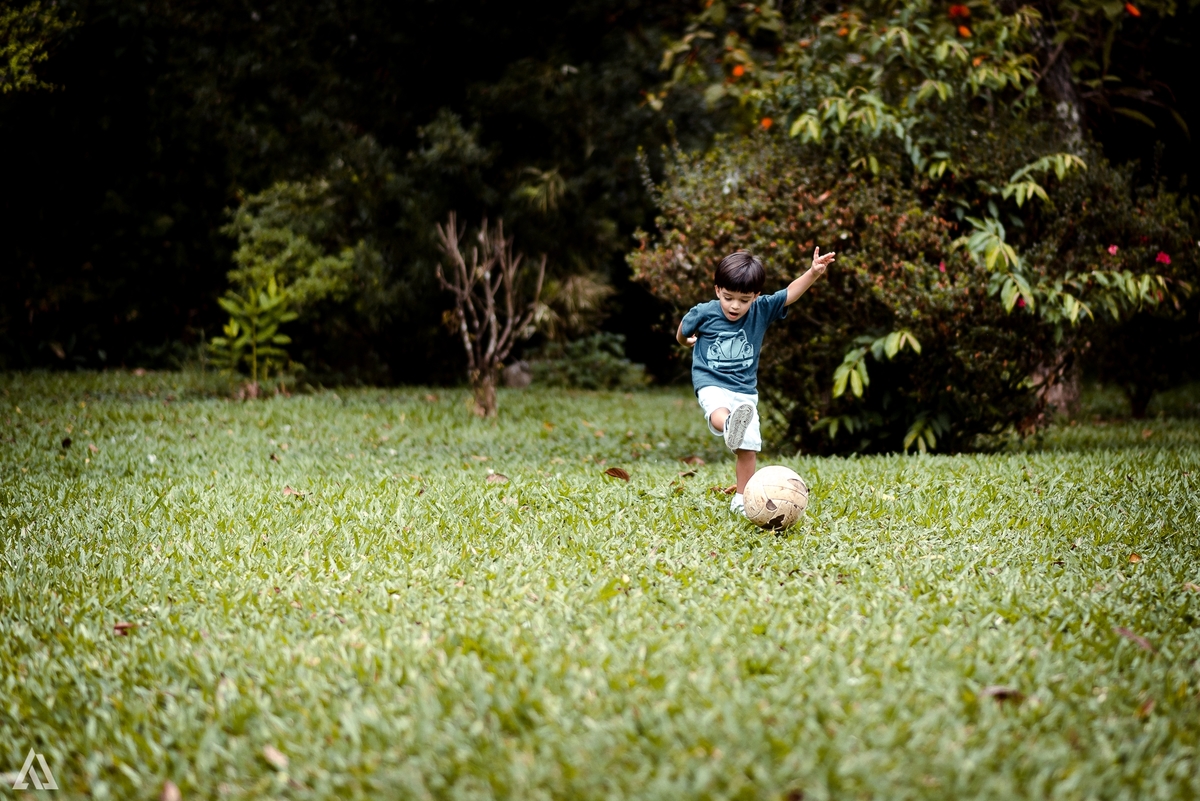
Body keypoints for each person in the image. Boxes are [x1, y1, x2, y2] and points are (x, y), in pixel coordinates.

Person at [676, 247, 835, 514]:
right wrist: (685, 341)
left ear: (756, 296)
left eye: (744, 300)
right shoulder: (704, 312)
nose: (735, 306)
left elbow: (789, 294)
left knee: (748, 448)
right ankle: (728, 425)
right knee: (718, 410)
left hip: (745, 390)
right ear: (717, 290)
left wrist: (812, 273)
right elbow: (683, 329)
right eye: (728, 298)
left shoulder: (761, 310)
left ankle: (741, 498)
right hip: (710, 378)